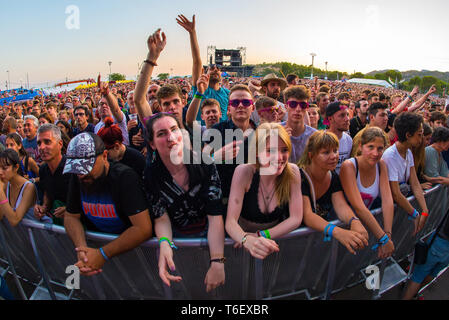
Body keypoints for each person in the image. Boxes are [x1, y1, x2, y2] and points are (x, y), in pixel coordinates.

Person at [144, 113, 225, 292]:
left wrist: (218, 261)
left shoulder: (204, 163)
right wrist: (165, 243)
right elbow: (161, 217)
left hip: (210, 234)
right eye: (161, 134)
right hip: (178, 238)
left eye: (174, 130)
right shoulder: (151, 174)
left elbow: (215, 216)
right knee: (188, 284)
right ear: (152, 144)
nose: (171, 138)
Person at [63, 132, 152, 276]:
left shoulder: (124, 178)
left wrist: (102, 254)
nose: (82, 174)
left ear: (104, 156)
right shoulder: (79, 177)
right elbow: (71, 216)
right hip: (99, 257)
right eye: (77, 168)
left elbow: (143, 228)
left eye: (87, 166)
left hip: (135, 254)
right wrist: (82, 249)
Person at [225, 123, 303, 259]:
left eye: (284, 150)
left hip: (275, 246)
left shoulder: (293, 172)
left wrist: (260, 236)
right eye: (270, 151)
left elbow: (296, 218)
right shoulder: (244, 172)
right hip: (242, 246)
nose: (279, 158)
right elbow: (231, 222)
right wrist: (245, 239)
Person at [298, 130, 369, 254]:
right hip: (296, 243)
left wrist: (354, 221)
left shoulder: (333, 176)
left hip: (315, 242)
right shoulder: (299, 177)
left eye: (335, 150)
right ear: (311, 155)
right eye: (326, 152)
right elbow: (307, 215)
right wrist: (338, 232)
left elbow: (341, 205)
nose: (333, 156)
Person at [339, 127, 395, 259]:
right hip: (343, 228)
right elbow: (359, 207)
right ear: (360, 146)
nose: (375, 153)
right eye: (370, 147)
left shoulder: (381, 165)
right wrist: (383, 239)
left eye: (380, 148)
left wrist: (388, 234)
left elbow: (388, 201)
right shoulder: (349, 166)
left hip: (364, 230)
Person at [381, 112, 429, 235]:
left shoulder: (408, 152)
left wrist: (424, 210)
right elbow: (396, 193)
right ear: (408, 135)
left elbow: (414, 182)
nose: (422, 138)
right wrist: (415, 213)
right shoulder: (390, 156)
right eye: (419, 134)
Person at [177, 14, 230, 122]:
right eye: (211, 68)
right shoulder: (200, 88)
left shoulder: (227, 93)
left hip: (222, 136)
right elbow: (196, 61)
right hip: (201, 135)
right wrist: (192, 33)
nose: (215, 69)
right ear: (205, 73)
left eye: (218, 69)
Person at [0, 149, 50, 226]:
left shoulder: (29, 187)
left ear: (16, 167)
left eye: (4, 168)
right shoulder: (5, 185)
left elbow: (14, 220)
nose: (0, 172)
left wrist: (1, 192)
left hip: (36, 236)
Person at [33, 124, 71, 225]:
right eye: (39, 143)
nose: (41, 147)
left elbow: (86, 197)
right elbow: (47, 192)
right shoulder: (43, 170)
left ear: (60, 144)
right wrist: (43, 207)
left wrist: (70, 209)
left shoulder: (72, 168)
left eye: (47, 142)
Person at [282, 85, 316, 164]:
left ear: (307, 108)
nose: (298, 109)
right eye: (293, 104)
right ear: (286, 106)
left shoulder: (314, 136)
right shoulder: (274, 131)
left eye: (303, 105)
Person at [94, 76, 129, 145]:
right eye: (101, 104)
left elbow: (116, 110)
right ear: (97, 108)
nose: (104, 106)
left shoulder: (117, 119)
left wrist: (107, 93)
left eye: (107, 104)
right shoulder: (97, 127)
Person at [325, 101, 353, 173]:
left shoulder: (349, 140)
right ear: (330, 119)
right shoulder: (321, 139)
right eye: (342, 115)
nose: (347, 119)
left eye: (347, 114)